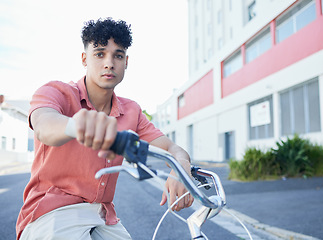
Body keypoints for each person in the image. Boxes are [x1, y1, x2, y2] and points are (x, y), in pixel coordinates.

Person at [16, 18, 194, 240]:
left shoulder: (132, 111)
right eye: (100, 53)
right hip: (51, 211)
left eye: (117, 55)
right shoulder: (56, 92)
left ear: (126, 62)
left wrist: (181, 168)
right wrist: (78, 124)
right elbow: (44, 124)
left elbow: (172, 149)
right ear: (84, 58)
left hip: (102, 216)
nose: (109, 63)